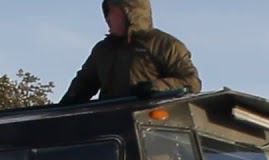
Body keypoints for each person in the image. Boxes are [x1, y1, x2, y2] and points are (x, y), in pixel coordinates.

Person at [60, 0, 202, 105]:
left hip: (152, 126)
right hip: (109, 129)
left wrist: (154, 88)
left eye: (112, 12)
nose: (108, 18)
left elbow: (191, 83)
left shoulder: (164, 45)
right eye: (107, 13)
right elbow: (83, 85)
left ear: (129, 13)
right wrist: (60, 111)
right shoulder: (103, 50)